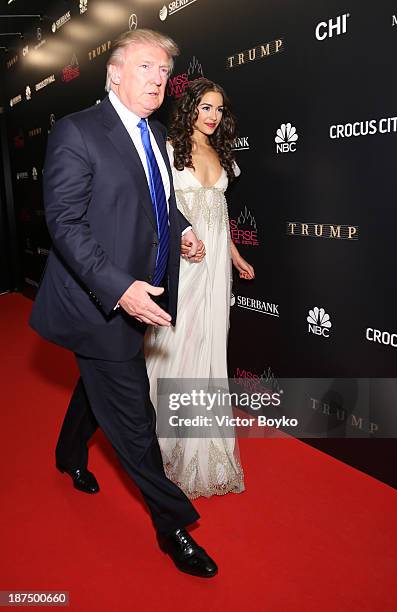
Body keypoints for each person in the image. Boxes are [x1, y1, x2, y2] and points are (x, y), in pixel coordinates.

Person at [29, 29, 218, 578]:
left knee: (99, 385)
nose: (158, 80)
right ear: (114, 73)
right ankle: (173, 526)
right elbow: (64, 221)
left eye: (164, 72)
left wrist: (179, 229)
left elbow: (152, 200)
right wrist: (118, 288)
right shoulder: (77, 132)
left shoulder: (156, 134)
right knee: (135, 418)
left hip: (141, 294)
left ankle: (68, 454)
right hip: (101, 304)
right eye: (145, 68)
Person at [145, 78, 255, 499]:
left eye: (219, 110)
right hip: (185, 264)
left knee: (209, 347)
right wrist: (181, 241)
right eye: (205, 107)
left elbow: (220, 212)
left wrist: (234, 255)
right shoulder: (170, 150)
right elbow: (162, 209)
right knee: (179, 344)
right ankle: (164, 442)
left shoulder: (222, 153)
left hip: (215, 270)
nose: (212, 117)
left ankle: (202, 445)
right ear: (190, 107)